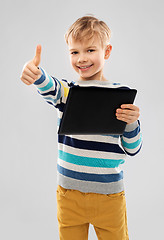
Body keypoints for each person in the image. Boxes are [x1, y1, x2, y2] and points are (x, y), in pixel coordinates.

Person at [20, 14, 142, 240]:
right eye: (75, 52)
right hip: (69, 196)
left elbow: (133, 148)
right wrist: (36, 74)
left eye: (90, 50)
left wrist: (132, 122)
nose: (82, 58)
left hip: (109, 198)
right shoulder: (67, 92)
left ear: (106, 52)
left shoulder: (121, 97)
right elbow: (51, 86)